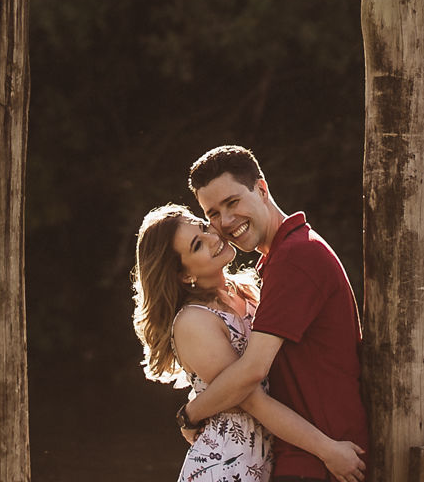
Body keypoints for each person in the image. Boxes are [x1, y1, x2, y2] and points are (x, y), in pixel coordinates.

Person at [133, 204, 367, 482]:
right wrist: (327, 449)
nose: (213, 238)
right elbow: (254, 400)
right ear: (184, 274)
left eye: (204, 228)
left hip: (271, 459)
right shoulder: (193, 322)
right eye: (197, 245)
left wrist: (191, 412)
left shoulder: (247, 290)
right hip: (227, 467)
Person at [177, 146, 369, 482]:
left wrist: (191, 413)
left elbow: (252, 372)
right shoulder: (276, 263)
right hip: (307, 456)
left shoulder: (296, 258)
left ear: (261, 189)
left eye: (232, 203)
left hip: (325, 459)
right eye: (212, 214)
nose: (225, 222)